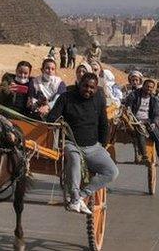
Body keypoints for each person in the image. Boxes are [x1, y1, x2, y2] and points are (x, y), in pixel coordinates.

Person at [46, 72, 119, 214]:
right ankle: (74, 197)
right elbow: (52, 118)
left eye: (92, 87)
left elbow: (103, 123)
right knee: (74, 158)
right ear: (79, 84)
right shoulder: (66, 98)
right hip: (71, 144)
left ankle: (81, 195)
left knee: (112, 172)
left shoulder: (99, 100)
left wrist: (102, 145)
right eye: (85, 86)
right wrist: (55, 121)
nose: (88, 90)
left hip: (93, 147)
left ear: (96, 88)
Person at [123, 79, 159, 169]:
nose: (149, 89)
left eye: (151, 88)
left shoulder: (154, 99)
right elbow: (127, 108)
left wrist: (154, 122)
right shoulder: (134, 95)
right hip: (135, 120)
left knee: (158, 136)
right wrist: (134, 119)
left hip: (148, 121)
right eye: (147, 86)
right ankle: (144, 156)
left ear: (153, 89)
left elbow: (156, 113)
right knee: (140, 130)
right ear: (143, 86)